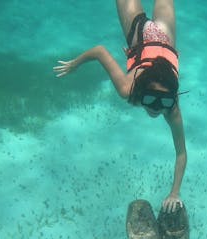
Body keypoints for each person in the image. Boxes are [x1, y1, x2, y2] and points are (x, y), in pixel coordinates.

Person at [53, 0, 186, 213]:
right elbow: (99, 51)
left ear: (172, 98)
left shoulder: (172, 108)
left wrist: (174, 193)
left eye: (165, 101)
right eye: (150, 99)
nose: (157, 108)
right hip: (142, 33)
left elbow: (181, 153)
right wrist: (74, 64)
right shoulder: (128, 88)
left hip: (165, 37)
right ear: (141, 91)